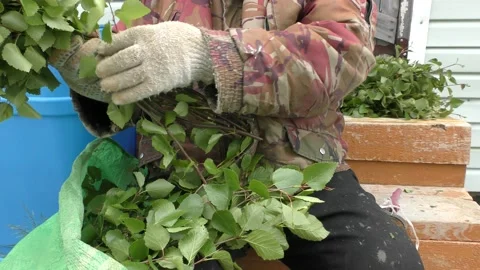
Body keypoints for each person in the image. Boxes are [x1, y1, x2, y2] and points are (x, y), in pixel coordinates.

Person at [49, 0, 424, 269]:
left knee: (383, 260)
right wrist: (97, 77)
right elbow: (138, 69)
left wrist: (208, 54)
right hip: (183, 177)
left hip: (299, 172)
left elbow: (341, 54)